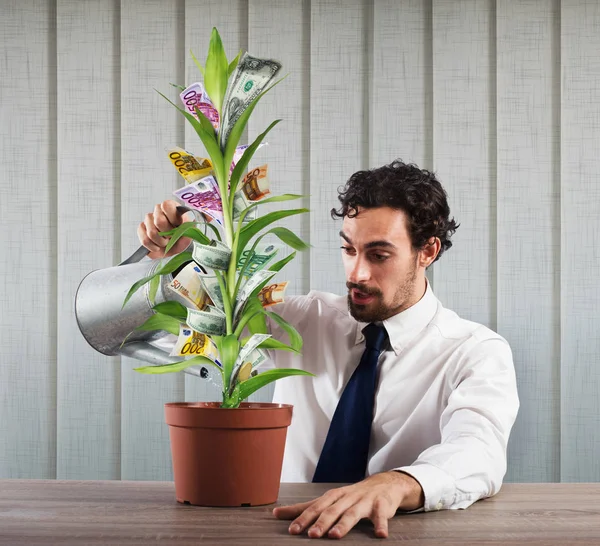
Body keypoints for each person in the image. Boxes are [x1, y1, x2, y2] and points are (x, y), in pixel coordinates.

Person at [138, 160, 519, 540]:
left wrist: (398, 483)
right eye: (348, 249)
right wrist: (182, 255)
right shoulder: (304, 320)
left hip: (392, 536)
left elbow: (479, 450)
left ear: (428, 251)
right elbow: (209, 318)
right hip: (282, 531)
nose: (357, 273)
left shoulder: (475, 352)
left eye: (379, 255)